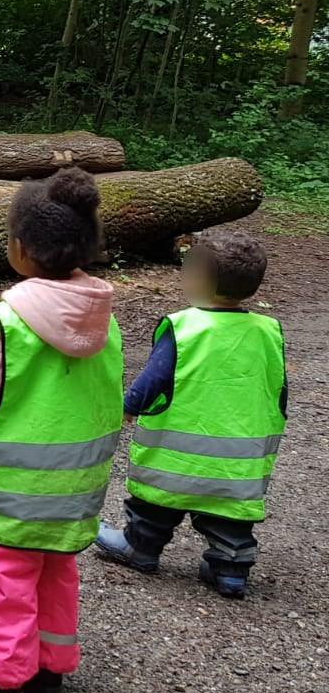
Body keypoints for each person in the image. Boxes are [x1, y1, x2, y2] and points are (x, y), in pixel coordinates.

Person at [0, 169, 123, 693]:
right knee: (57, 572)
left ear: (19, 249)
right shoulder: (105, 322)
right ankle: (50, 667)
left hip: (13, 488)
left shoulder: (3, 321)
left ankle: (0, 678)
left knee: (4, 578)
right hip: (78, 486)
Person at [95, 229, 285, 600]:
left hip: (173, 460)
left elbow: (154, 378)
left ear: (198, 280)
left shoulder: (185, 327)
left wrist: (127, 408)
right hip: (238, 468)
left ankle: (140, 548)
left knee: (153, 509)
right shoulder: (269, 331)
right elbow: (278, 389)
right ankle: (230, 569)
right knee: (230, 519)